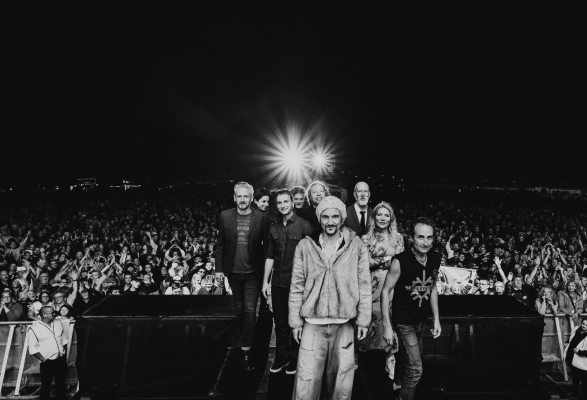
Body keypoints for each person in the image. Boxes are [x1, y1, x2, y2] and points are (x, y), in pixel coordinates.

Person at [289, 196, 371, 399]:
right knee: (306, 381)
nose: (330, 221)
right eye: (325, 217)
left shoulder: (356, 246)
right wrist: (295, 322)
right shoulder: (305, 246)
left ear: (342, 218)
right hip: (312, 323)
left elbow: (364, 284)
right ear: (320, 219)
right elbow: (297, 285)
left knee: (342, 383)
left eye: (335, 216)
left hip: (343, 324)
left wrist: (363, 319)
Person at [380, 217, 441, 400]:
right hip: (404, 321)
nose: (425, 242)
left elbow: (432, 287)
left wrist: (436, 319)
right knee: (415, 369)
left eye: (429, 237)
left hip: (421, 320)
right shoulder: (400, 261)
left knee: (406, 360)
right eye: (420, 237)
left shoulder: (435, 258)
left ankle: (397, 383)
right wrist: (387, 325)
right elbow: (385, 291)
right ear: (412, 238)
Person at [215, 182, 268, 371]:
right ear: (234, 197)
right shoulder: (225, 215)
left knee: (249, 310)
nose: (243, 199)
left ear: (251, 198)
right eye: (239, 196)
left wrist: (266, 274)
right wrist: (219, 270)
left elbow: (267, 247)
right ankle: (242, 336)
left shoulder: (261, 217)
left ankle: (246, 349)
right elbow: (220, 244)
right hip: (233, 272)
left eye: (246, 196)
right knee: (239, 310)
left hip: (253, 273)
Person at [262, 189, 313, 374]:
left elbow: (311, 258)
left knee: (296, 322)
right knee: (280, 321)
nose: (283, 205)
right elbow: (269, 255)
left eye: (286, 201)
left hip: (298, 284)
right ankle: (282, 357)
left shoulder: (304, 225)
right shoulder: (273, 227)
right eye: (279, 202)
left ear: (292, 202)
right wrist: (265, 282)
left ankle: (296, 358)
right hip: (278, 282)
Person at [358, 202, 404, 359]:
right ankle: (371, 362)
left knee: (390, 321)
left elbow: (401, 263)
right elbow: (365, 264)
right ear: (374, 217)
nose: (383, 218)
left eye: (386, 215)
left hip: (393, 287)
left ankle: (389, 364)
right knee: (373, 323)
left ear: (391, 218)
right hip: (372, 288)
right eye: (379, 214)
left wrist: (378, 259)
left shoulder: (398, 238)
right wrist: (389, 258)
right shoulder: (365, 239)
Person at [27, 305, 68, 400]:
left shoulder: (58, 322)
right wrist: (44, 360)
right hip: (47, 361)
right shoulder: (34, 329)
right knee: (46, 384)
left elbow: (64, 340)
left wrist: (63, 353)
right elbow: (33, 348)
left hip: (60, 359)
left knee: (61, 383)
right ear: (44, 315)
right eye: (52, 313)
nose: (55, 314)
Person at [564, 317, 587, 398]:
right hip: (571, 357)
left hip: (581, 361)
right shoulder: (576, 329)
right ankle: (575, 392)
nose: (584, 326)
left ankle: (585, 396)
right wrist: (567, 342)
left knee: (584, 381)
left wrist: (579, 352)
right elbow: (571, 339)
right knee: (575, 377)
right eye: (583, 324)